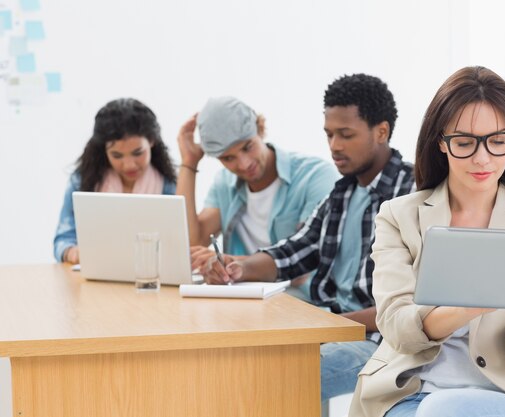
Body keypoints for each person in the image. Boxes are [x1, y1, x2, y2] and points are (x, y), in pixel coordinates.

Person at [349, 66, 505, 417]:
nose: (482, 158)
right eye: (465, 143)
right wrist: (470, 303)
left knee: (447, 410)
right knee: (439, 408)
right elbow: (397, 327)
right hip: (410, 390)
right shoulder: (399, 216)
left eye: (497, 142)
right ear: (441, 142)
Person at [201, 74, 415, 401]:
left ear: (381, 131)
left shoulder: (413, 194)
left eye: (346, 135)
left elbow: (409, 308)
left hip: (380, 342)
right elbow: (293, 251)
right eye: (329, 135)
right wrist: (239, 267)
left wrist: (324, 326)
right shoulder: (341, 194)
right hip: (332, 328)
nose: (334, 146)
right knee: (232, 356)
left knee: (273, 377)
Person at [176, 96, 338, 298]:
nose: (243, 164)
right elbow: (193, 241)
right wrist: (189, 163)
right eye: (228, 158)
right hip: (244, 306)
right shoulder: (224, 185)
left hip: (305, 306)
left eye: (247, 147)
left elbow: (307, 262)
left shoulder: (315, 177)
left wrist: (231, 262)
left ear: (259, 129)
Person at [53, 98, 177, 264]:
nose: (129, 165)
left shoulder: (167, 184)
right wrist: (72, 252)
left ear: (152, 141)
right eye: (117, 155)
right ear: (104, 150)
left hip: (149, 275)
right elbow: (63, 238)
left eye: (138, 152)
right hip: (95, 274)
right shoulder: (83, 180)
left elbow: (177, 244)